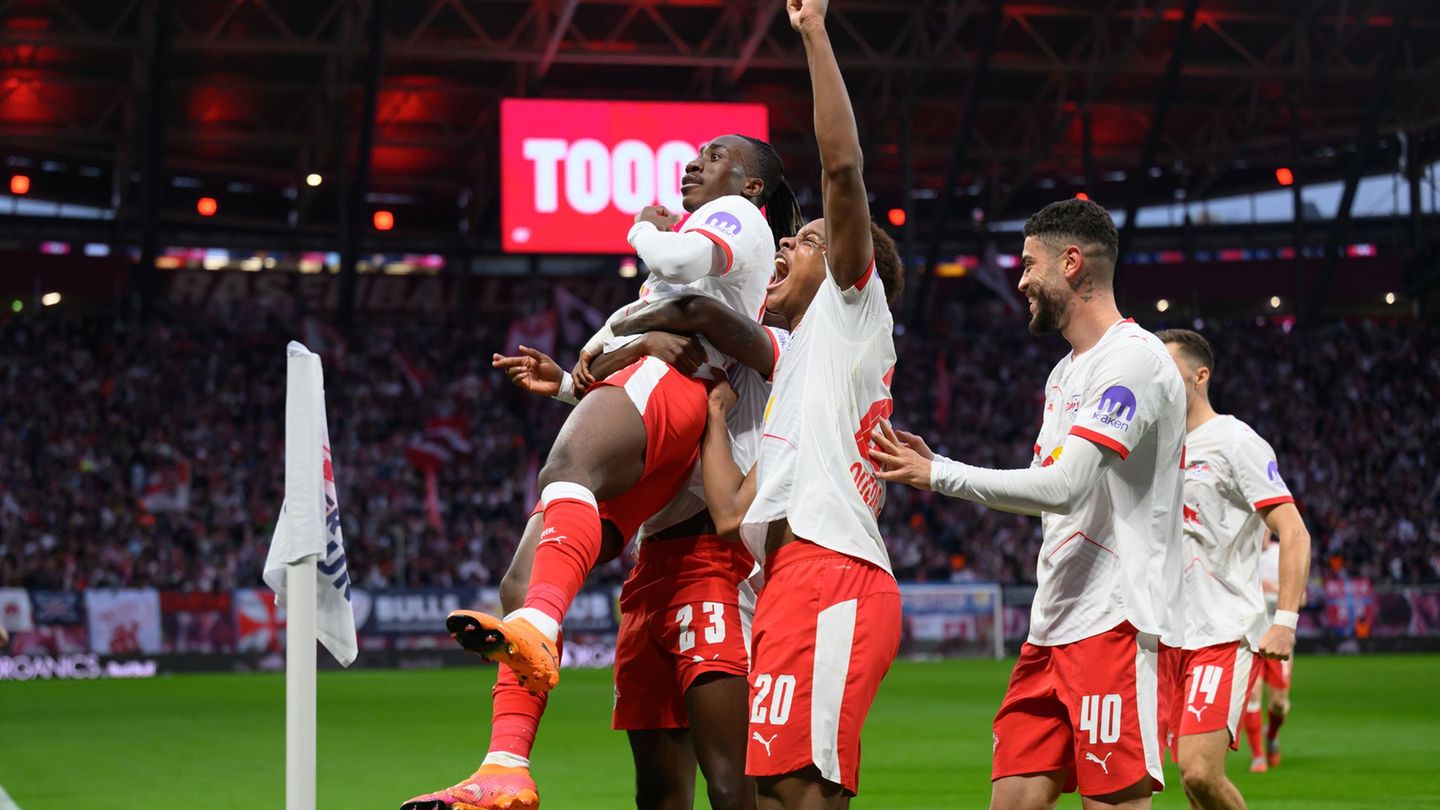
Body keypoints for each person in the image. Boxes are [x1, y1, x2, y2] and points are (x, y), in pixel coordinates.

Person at [402, 134, 801, 810]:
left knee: (566, 469)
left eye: (715, 154)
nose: (696, 162)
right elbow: (655, 330)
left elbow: (688, 313)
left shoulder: (743, 247)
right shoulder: (719, 286)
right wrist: (579, 375)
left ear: (753, 187)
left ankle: (543, 632)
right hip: (656, 548)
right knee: (521, 584)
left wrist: (643, 230)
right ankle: (505, 764)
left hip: (713, 555)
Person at [869, 198, 1186, 810]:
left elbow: (1064, 486)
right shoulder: (1065, 373)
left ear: (1072, 264)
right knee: (1009, 801)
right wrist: (941, 466)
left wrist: (940, 474)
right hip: (1052, 629)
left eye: (1028, 264)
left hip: (1114, 623)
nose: (1019, 281)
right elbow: (1050, 493)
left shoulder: (1135, 361)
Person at [701, 1, 907, 804]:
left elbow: (842, 170)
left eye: (810, 239)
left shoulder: (852, 312)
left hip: (834, 576)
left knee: (800, 790)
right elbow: (728, 515)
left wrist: (814, 31)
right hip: (790, 581)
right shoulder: (795, 381)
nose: (788, 243)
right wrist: (717, 420)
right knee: (782, 792)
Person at [1156, 328, 1312, 808]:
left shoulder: (1235, 442)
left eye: (1169, 372)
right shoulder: (1151, 447)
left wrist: (1284, 622)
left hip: (1218, 631)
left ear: (1200, 376)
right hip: (1160, 636)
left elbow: (1294, 531)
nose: (1158, 382)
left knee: (1200, 772)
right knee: (1181, 782)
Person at [1243, 537, 1297, 773]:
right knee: (1252, 694)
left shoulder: (1281, 553)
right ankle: (1257, 756)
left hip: (1276, 636)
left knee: (1278, 704)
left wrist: (1273, 590)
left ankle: (1272, 735)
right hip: (1249, 635)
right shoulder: (1242, 550)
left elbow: (1301, 597)